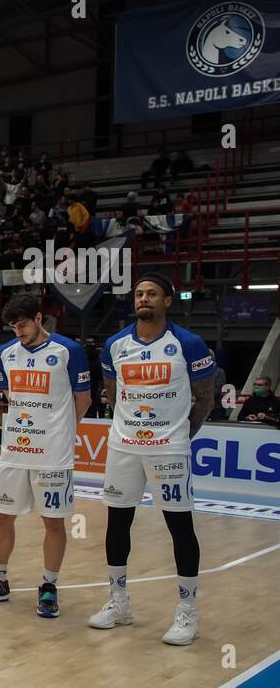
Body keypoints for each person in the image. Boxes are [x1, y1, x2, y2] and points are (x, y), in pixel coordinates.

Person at [90, 272, 216, 646]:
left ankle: (187, 612)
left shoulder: (188, 344)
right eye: (139, 293)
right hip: (123, 446)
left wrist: (178, 435)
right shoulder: (114, 345)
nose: (143, 299)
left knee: (179, 527)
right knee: (117, 523)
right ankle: (119, 602)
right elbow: (113, 395)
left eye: (152, 294)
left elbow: (204, 398)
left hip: (169, 448)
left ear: (168, 301)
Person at [0, 295, 91, 617]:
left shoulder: (68, 351)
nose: (18, 332)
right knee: (2, 516)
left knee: (53, 522)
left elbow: (83, 399)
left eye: (22, 325)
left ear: (39, 318)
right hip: (15, 451)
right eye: (13, 327)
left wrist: (61, 431)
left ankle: (48, 585)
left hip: (53, 454)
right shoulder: (5, 354)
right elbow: (10, 398)